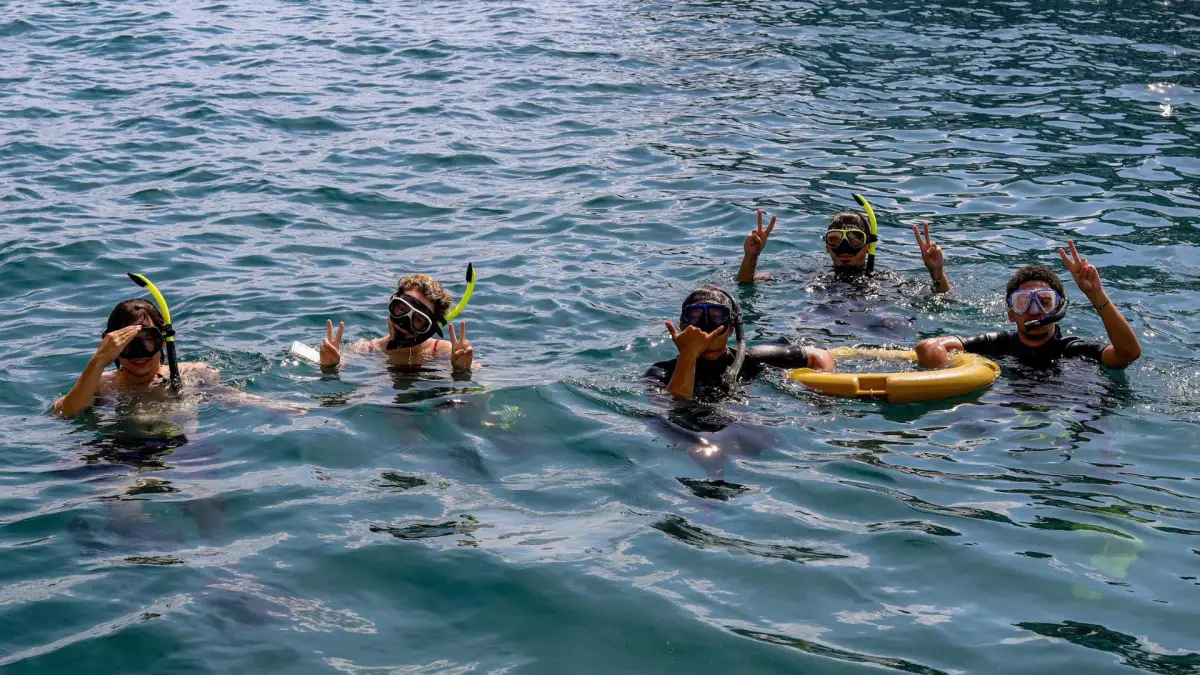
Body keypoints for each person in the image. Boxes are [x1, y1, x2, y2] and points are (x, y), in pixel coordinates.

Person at [914, 241, 1141, 370]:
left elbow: (1128, 354)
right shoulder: (997, 345)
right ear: (1011, 314)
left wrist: (1097, 295)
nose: (1034, 309)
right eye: (1023, 302)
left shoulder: (1074, 351)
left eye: (1045, 301)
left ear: (1058, 310)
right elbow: (928, 347)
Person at [646, 286, 835, 401]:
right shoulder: (660, 373)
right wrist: (689, 353)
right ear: (682, 325)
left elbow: (818, 354)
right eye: (695, 317)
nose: (706, 325)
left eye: (716, 317)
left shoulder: (749, 360)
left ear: (731, 328)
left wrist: (824, 387)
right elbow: (675, 406)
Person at [736, 195, 951, 293]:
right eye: (835, 239)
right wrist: (751, 257)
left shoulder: (888, 281)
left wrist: (937, 273)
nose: (845, 247)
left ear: (868, 246)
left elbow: (943, 300)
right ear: (827, 247)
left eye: (855, 238)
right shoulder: (813, 277)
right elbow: (747, 283)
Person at [53, 298, 221, 418]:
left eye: (147, 338)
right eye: (127, 341)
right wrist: (98, 361)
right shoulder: (99, 385)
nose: (139, 352)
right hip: (119, 449)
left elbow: (230, 400)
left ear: (163, 340)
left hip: (182, 447)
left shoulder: (194, 374)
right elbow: (65, 413)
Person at [319, 266, 476, 373]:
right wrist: (329, 367)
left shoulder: (446, 352)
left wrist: (462, 371)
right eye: (401, 309)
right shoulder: (365, 350)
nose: (403, 323)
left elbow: (482, 385)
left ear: (429, 329)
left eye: (418, 320)